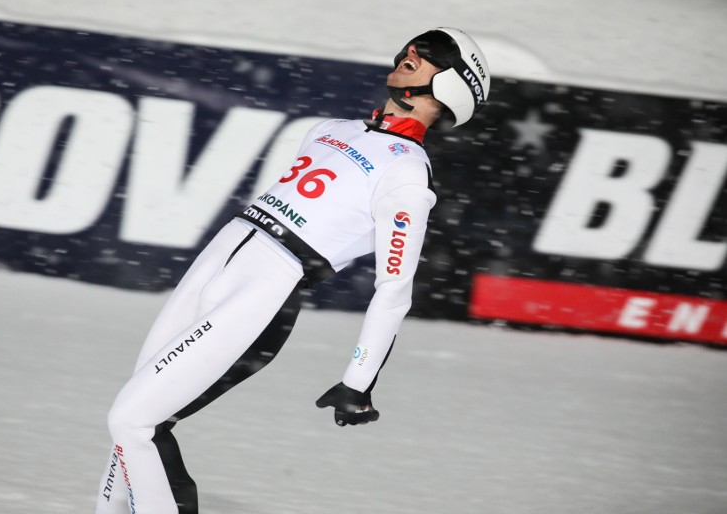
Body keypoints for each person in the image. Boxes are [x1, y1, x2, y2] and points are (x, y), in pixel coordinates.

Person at [96, 27, 491, 514]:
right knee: (133, 424)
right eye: (411, 46)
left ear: (453, 83)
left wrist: (358, 380)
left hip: (264, 295)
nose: (411, 53)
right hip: (215, 265)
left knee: (133, 423)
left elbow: (394, 289)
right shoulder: (328, 129)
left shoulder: (408, 172)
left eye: (429, 54)